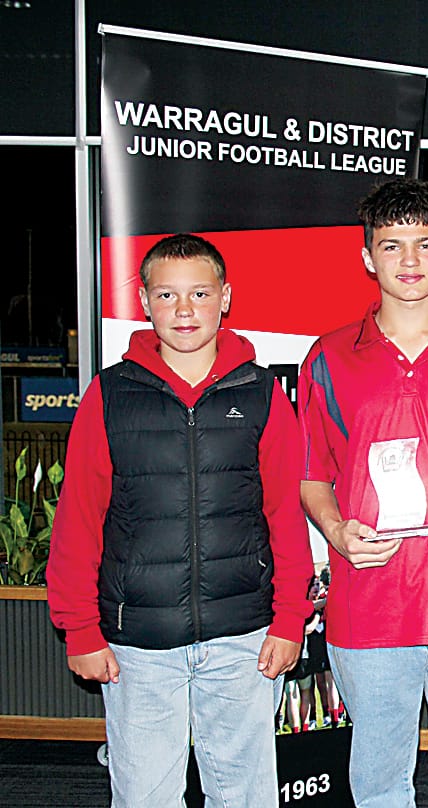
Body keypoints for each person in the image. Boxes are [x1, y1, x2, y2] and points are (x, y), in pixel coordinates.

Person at [46, 233, 314, 806]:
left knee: (244, 796)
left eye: (199, 293)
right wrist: (79, 628)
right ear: (144, 302)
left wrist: (291, 618)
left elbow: (286, 516)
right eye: (167, 295)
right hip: (137, 648)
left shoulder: (264, 393)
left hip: (245, 639)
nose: (184, 309)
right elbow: (78, 519)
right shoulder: (110, 395)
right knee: (143, 797)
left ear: (226, 297)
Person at [297, 179, 428, 807]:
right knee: (378, 783)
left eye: (426, 245)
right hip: (370, 601)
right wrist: (338, 533)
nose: (411, 262)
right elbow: (313, 476)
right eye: (392, 247)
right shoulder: (330, 358)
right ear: (368, 257)